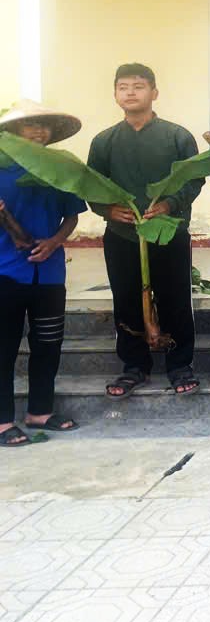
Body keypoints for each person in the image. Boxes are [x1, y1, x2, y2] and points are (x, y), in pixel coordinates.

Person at [90, 63, 204, 397]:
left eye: (138, 86)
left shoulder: (177, 136)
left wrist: (169, 204)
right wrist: (108, 210)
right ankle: (134, 366)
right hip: (122, 235)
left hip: (168, 231)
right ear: (115, 94)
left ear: (154, 92)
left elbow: (194, 180)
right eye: (123, 87)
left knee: (175, 298)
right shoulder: (104, 141)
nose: (130, 92)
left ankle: (179, 365)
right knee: (125, 299)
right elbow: (91, 186)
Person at [0, 101, 87, 446]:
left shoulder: (60, 168)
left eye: (44, 126)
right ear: (12, 132)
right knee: (3, 348)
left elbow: (72, 215)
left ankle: (39, 412)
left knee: (48, 345)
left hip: (49, 274)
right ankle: (2, 422)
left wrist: (54, 242)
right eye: (30, 125)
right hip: (5, 271)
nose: (39, 131)